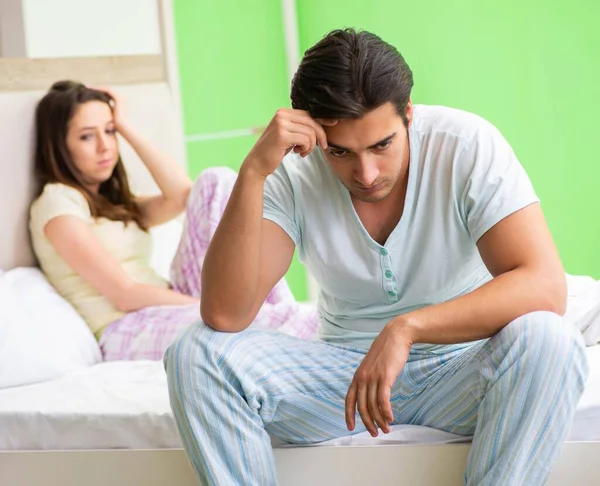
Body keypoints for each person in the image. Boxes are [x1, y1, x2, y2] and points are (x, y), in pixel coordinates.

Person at [164, 28, 589, 485]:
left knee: (549, 337)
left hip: (462, 372)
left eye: (382, 145)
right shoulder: (291, 171)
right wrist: (253, 172)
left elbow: (544, 285)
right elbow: (226, 314)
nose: (365, 174)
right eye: (340, 151)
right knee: (195, 353)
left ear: (408, 114)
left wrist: (407, 329)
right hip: (344, 384)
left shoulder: (466, 145)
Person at [29, 81, 318, 361]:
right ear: (59, 145)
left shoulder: (116, 202)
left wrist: (126, 127)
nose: (105, 146)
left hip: (172, 299)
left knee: (215, 180)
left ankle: (274, 309)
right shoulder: (57, 202)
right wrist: (220, 308)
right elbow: (125, 295)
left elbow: (183, 195)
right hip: (128, 327)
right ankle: (278, 315)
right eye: (87, 136)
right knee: (261, 322)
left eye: (110, 131)